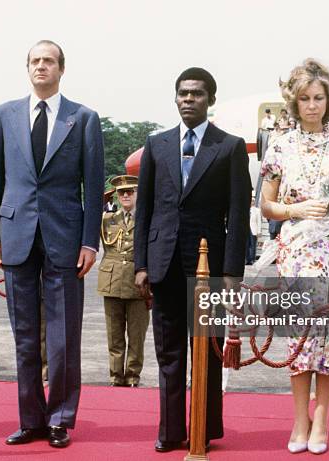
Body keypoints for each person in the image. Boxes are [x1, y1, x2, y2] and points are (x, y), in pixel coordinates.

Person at [0, 40, 104, 448]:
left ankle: (60, 418)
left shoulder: (83, 119)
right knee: (24, 334)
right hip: (16, 235)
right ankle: (30, 418)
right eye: (35, 61)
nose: (41, 67)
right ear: (27, 68)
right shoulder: (3, 115)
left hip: (66, 237)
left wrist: (90, 242)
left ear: (61, 69)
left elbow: (94, 184)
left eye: (48, 61)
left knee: (63, 335)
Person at [135, 67, 251, 452]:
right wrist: (141, 264)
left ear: (210, 100)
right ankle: (169, 431)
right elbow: (145, 210)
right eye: (183, 93)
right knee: (168, 353)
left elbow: (237, 214)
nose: (188, 99)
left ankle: (203, 427)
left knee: (206, 351)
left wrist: (233, 270)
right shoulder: (157, 145)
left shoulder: (230, 147)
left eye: (197, 94)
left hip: (210, 266)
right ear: (175, 98)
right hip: (163, 262)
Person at [260, 58, 329, 455]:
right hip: (298, 252)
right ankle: (299, 419)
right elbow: (266, 207)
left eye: (318, 97)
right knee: (300, 339)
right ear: (293, 101)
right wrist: (296, 211)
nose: (311, 105)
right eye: (304, 98)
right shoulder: (280, 145)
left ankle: (322, 419)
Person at [97, 175, 150, 387]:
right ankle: (115, 376)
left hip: (138, 282)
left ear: (138, 194)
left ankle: (132, 376)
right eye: (121, 192)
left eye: (130, 192)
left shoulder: (147, 219)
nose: (125, 195)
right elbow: (86, 217)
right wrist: (102, 198)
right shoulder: (107, 219)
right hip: (111, 281)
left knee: (136, 336)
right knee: (114, 335)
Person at [247, 194, 262, 265]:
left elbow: (259, 221)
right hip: (246, 229)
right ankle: (247, 259)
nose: (251, 202)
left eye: (252, 201)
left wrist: (259, 231)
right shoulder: (246, 210)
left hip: (253, 230)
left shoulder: (257, 210)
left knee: (253, 245)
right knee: (246, 245)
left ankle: (252, 259)